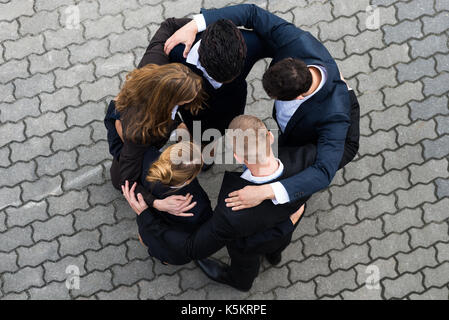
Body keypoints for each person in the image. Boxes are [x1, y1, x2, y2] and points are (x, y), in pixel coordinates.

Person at [164, 4, 360, 211]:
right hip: (298, 121)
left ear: (300, 96)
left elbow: (323, 171)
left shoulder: (334, 116)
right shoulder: (297, 42)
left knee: (286, 168)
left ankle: (293, 209)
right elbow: (252, 13)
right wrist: (195, 24)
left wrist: (268, 191)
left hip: (323, 141)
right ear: (291, 61)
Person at [122, 115, 320, 291]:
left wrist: (147, 213)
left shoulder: (228, 210)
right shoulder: (309, 157)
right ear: (270, 136)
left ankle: (248, 275)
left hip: (249, 247)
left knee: (247, 268)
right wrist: (291, 221)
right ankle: (274, 256)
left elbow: (193, 249)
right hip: (289, 222)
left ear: (236, 156)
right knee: (275, 248)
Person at [140, 17, 271, 137]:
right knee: (200, 137)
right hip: (193, 111)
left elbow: (282, 40)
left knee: (220, 132)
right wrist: (176, 124)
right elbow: (157, 96)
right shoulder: (175, 54)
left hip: (232, 104)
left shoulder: (251, 44)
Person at [104, 63, 204, 217]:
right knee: (122, 176)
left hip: (135, 122)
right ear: (170, 100)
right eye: (186, 99)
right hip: (131, 136)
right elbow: (128, 182)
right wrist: (158, 203)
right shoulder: (138, 133)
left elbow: (159, 40)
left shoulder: (158, 78)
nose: (195, 96)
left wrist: (181, 127)